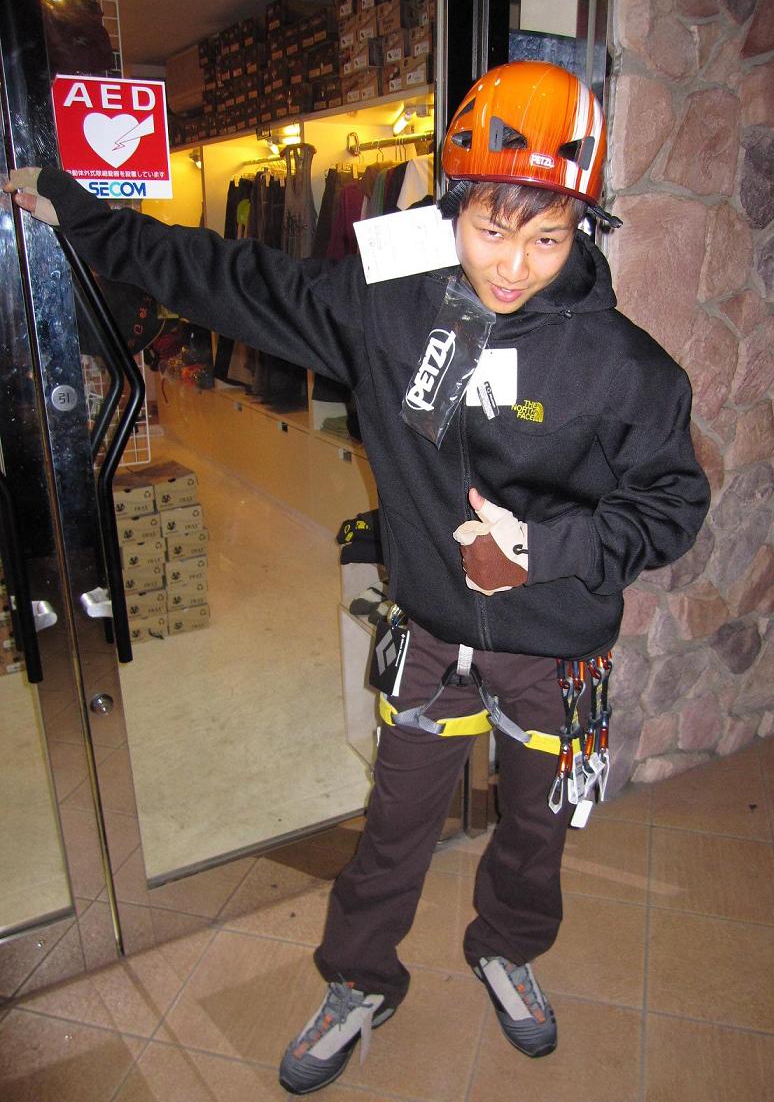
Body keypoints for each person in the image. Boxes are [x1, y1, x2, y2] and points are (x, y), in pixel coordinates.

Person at [6, 61, 710, 1096]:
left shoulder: (625, 367)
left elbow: (673, 505)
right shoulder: (387, 309)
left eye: (548, 240)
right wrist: (85, 216)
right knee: (395, 824)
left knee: (534, 831)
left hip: (555, 653)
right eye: (491, 231)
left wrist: (541, 549)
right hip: (431, 638)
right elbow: (229, 276)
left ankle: (507, 948)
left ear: (583, 231)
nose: (512, 265)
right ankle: (359, 980)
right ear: (453, 206)